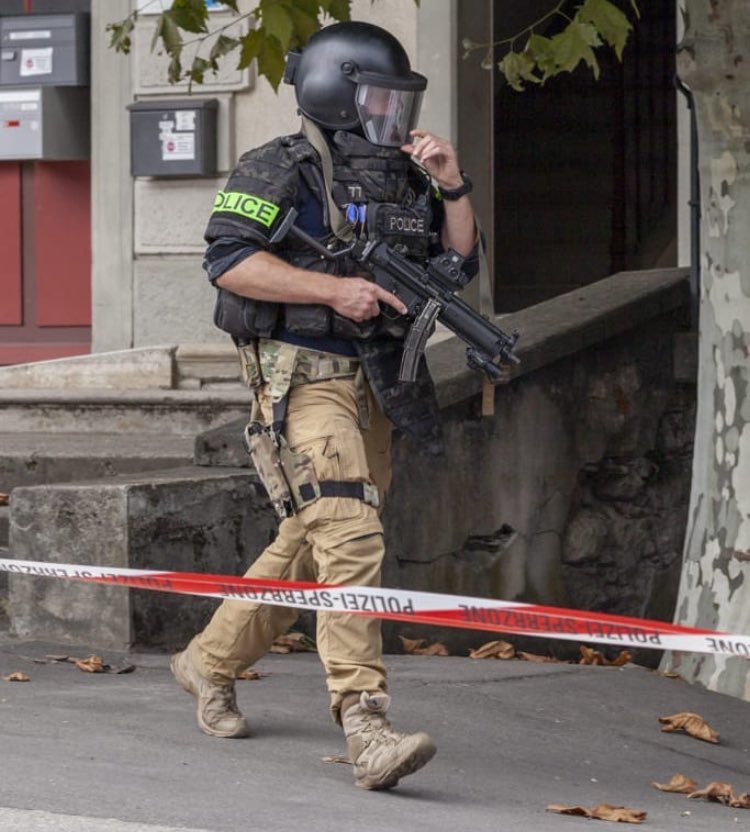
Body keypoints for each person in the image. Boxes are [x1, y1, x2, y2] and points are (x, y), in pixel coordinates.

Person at [170, 20, 479, 791]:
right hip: (302, 380)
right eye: (378, 97)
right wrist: (331, 290)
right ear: (335, 94)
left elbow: (457, 266)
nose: (391, 114)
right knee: (348, 533)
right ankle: (365, 723)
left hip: (378, 384)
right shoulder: (280, 166)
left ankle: (208, 661)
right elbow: (228, 260)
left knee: (313, 542)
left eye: (398, 100)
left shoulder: (405, 177)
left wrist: (451, 184)